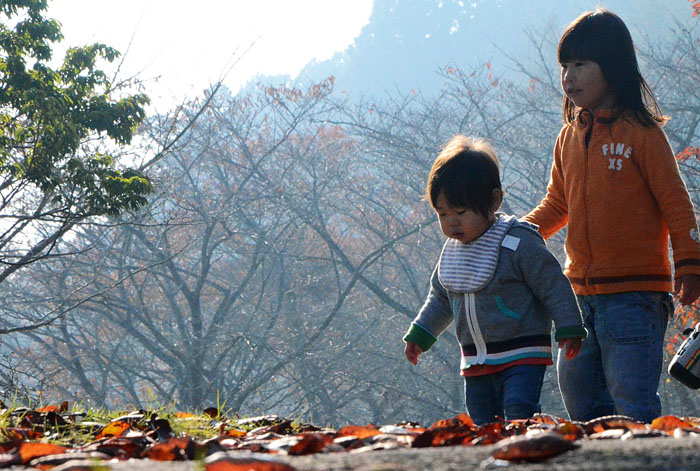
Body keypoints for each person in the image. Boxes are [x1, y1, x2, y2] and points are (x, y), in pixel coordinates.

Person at [523, 9, 700, 423]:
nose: (569, 76)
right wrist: (518, 233)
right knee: (580, 397)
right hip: (578, 298)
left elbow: (676, 203)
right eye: (564, 66)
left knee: (631, 397)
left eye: (581, 64)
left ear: (614, 67)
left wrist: (690, 264)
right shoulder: (567, 137)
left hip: (634, 296)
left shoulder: (642, 132)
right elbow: (557, 204)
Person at [403, 135, 587, 425]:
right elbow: (441, 297)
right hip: (475, 358)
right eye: (442, 213)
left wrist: (569, 325)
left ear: (494, 200)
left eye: (461, 212)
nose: (451, 222)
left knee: (518, 409)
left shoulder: (516, 242)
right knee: (481, 418)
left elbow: (552, 284)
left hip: (523, 352)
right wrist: (421, 335)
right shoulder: (452, 252)